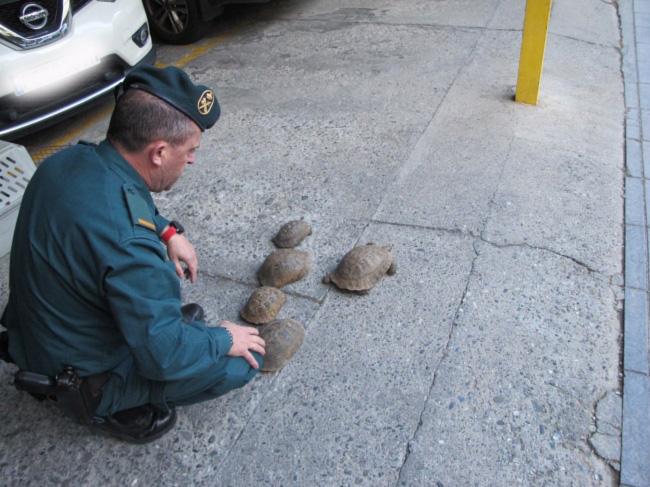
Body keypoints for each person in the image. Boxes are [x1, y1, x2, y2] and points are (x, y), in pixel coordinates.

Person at [0, 66, 266, 443]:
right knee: (241, 364)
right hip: (80, 372)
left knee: (179, 329)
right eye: (189, 151)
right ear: (158, 152)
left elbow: (124, 196)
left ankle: (162, 331)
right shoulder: (133, 249)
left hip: (37, 333)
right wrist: (223, 339)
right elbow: (165, 357)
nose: (191, 160)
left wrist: (168, 230)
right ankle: (111, 407)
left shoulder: (66, 162)